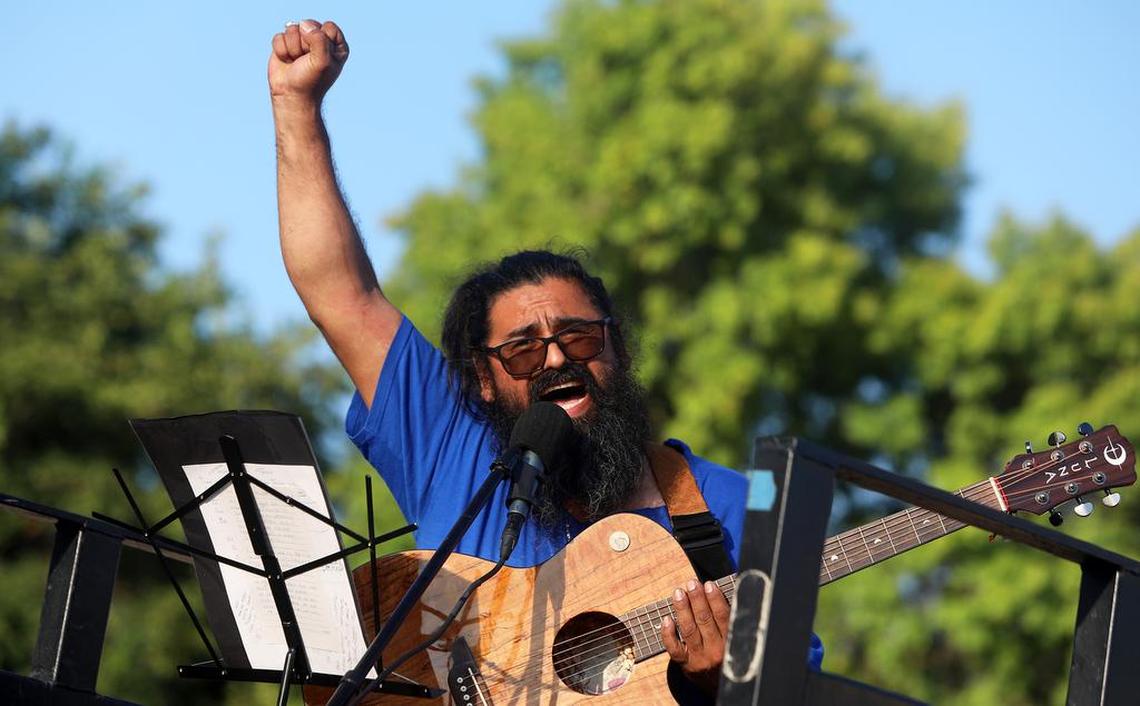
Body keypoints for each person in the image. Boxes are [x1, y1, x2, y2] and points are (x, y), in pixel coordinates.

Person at [269, 18, 823, 699]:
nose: (557, 358)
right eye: (524, 350)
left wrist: (720, 683)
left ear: (616, 347)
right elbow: (340, 292)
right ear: (483, 379)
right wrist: (297, 107)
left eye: (580, 337)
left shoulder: (725, 505)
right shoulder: (450, 443)